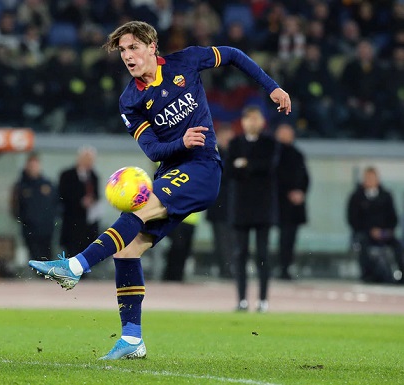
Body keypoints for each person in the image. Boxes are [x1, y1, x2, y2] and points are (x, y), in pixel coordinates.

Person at [29, 21, 291, 359]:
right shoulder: (130, 100)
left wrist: (271, 87)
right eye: (123, 50)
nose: (128, 55)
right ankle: (132, 339)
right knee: (127, 251)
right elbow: (152, 150)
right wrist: (179, 141)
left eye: (133, 47)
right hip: (170, 170)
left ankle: (76, 266)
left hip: (203, 168)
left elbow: (233, 55)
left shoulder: (186, 61)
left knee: (138, 211)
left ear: (152, 46)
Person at [228, 105, 280, 313]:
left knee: (262, 254)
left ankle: (263, 301)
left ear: (262, 121)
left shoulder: (270, 143)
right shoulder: (234, 143)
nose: (251, 122)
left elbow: (267, 167)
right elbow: (229, 170)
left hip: (262, 207)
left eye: (255, 118)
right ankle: (242, 300)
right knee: (240, 254)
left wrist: (245, 165)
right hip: (240, 207)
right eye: (248, 118)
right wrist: (250, 166)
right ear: (242, 122)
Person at [347, 167, 404, 283]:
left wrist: (387, 230)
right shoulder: (356, 197)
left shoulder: (386, 196)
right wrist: (370, 231)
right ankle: (368, 275)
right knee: (363, 243)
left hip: (384, 233)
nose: (370, 180)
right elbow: (353, 219)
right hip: (365, 234)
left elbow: (393, 217)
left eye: (373, 178)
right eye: (367, 178)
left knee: (397, 246)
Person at [275, 123, 309, 280]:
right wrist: (289, 192)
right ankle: (277, 267)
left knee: (290, 238)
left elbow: (305, 177)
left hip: (293, 206)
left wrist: (300, 192)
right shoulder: (274, 154)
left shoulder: (297, 154)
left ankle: (285, 268)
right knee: (280, 238)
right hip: (278, 203)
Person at [11, 152, 57, 261]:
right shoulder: (21, 186)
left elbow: (56, 203)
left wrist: (52, 218)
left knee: (47, 255)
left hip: (46, 228)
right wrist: (24, 219)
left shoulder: (48, 184)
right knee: (34, 256)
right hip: (29, 229)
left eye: (36, 165)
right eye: (31, 165)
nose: (34, 168)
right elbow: (15, 206)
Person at [58, 146, 100, 258]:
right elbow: (62, 195)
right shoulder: (67, 175)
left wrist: (92, 201)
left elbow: (97, 196)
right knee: (71, 254)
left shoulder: (94, 176)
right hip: (72, 223)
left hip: (88, 226)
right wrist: (80, 202)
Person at [205, 124, 235, 278]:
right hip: (218, 204)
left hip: (233, 206)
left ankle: (230, 268)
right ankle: (225, 268)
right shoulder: (213, 155)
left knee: (232, 239)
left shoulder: (233, 154)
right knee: (221, 239)